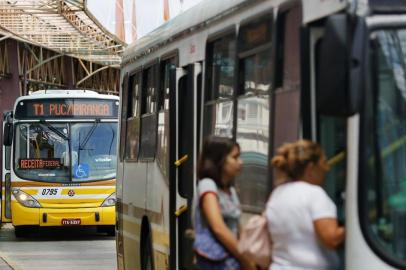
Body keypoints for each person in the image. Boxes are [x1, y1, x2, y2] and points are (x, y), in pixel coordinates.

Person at [266, 140, 345, 270]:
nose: (327, 168)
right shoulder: (315, 194)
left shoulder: (277, 193)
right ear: (310, 168)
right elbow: (331, 239)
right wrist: (352, 228)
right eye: (324, 163)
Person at [193, 136, 255, 270]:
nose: (240, 162)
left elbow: (238, 228)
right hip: (216, 261)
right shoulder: (208, 186)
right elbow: (218, 228)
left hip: (231, 260)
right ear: (220, 160)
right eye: (235, 157)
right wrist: (244, 259)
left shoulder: (230, 191)